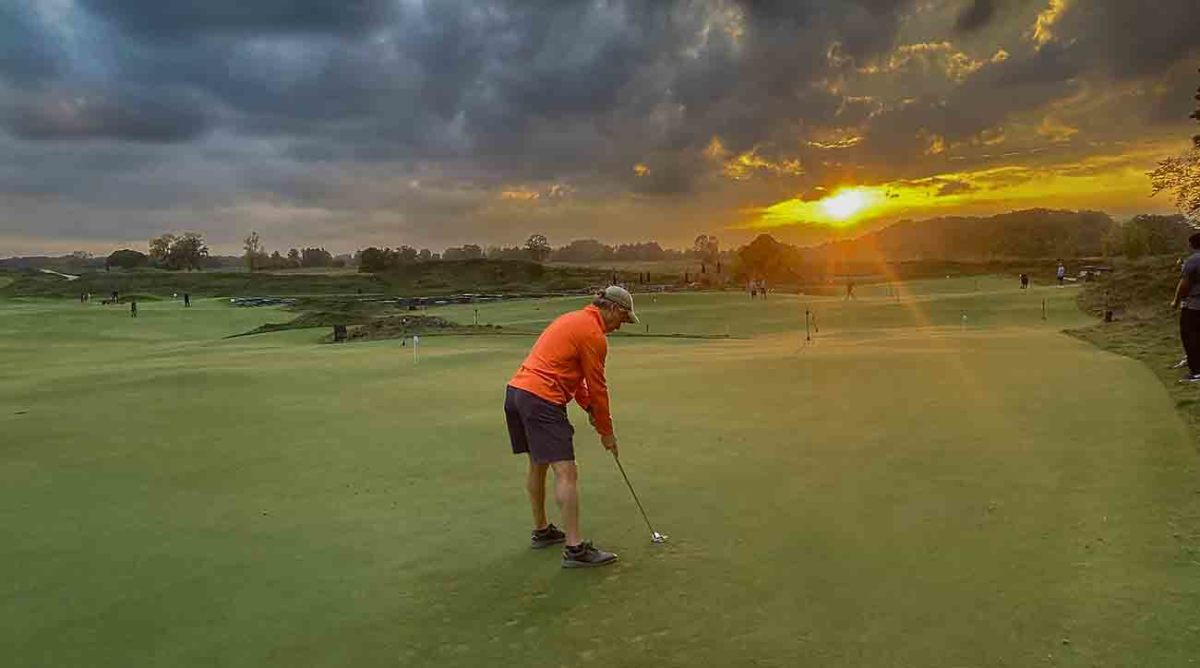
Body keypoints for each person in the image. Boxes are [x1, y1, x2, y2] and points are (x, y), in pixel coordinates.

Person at [504, 285, 637, 568]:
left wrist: (588, 407)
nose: (619, 326)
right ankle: (575, 550)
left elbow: (574, 379)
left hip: (517, 393)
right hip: (541, 398)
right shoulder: (593, 334)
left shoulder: (572, 320)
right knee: (566, 471)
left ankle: (542, 530)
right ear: (612, 308)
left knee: (538, 464)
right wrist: (607, 431)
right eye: (622, 319)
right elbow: (598, 386)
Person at [1171, 232, 1200, 383]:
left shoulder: (1193, 260)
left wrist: (1175, 301)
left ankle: (1196, 371)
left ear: (1193, 244)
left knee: (1190, 336)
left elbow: (1184, 285)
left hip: (1194, 306)